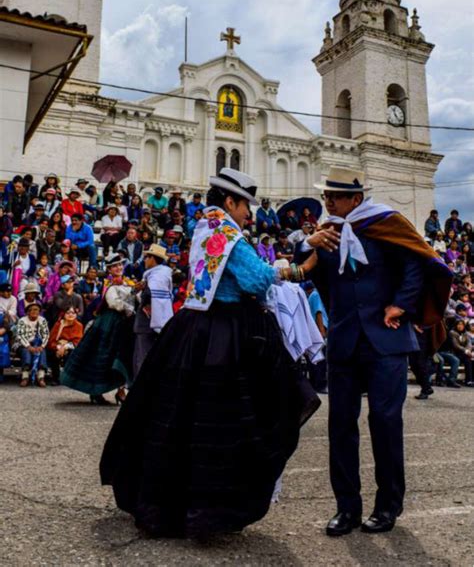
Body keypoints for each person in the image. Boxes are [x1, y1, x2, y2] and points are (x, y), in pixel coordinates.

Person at [100, 167, 319, 539]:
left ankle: (172, 504)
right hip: (224, 331)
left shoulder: (205, 225)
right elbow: (255, 279)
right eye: (245, 206)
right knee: (224, 418)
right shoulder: (227, 232)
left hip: (193, 326)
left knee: (178, 416)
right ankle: (207, 512)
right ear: (230, 201)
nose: (249, 214)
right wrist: (296, 268)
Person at [305, 167, 451, 536]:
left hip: (385, 341)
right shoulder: (327, 234)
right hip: (343, 340)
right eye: (326, 197)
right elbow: (310, 270)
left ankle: (387, 506)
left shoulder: (385, 223)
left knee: (385, 423)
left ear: (355, 198)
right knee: (341, 426)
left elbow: (416, 265)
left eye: (334, 197)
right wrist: (309, 244)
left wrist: (400, 304)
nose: (328, 202)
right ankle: (346, 508)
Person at [61, 253, 135, 405]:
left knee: (121, 357)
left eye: (120, 265)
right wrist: (130, 306)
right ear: (109, 269)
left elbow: (132, 299)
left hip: (123, 325)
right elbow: (115, 303)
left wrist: (135, 295)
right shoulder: (109, 285)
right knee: (101, 356)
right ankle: (96, 391)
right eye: (115, 266)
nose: (119, 268)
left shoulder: (127, 284)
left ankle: (121, 391)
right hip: (108, 324)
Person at [133, 244, 172, 379]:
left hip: (147, 323)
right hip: (159, 321)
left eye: (146, 257)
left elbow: (149, 296)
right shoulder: (161, 274)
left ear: (153, 259)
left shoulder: (155, 277)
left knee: (142, 358)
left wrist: (138, 292)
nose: (144, 260)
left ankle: (141, 393)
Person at [47, 306, 84, 385]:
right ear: (64, 314)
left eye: (73, 313)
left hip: (71, 347)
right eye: (68, 313)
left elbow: (78, 341)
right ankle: (56, 378)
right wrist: (59, 348)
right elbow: (51, 340)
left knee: (71, 354)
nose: (70, 315)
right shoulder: (58, 324)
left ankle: (69, 378)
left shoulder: (79, 325)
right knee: (53, 355)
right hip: (58, 346)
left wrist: (65, 347)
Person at [17, 302, 50, 387]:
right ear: (27, 312)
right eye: (31, 310)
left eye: (36, 310)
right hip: (23, 344)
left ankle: (41, 377)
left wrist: (42, 346)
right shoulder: (22, 321)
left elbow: (46, 335)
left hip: (39, 343)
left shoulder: (42, 320)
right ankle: (25, 377)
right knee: (26, 352)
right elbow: (20, 335)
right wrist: (28, 346)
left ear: (39, 311)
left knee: (42, 352)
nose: (34, 312)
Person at [449, 319, 474, 385]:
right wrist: (465, 350)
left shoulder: (465, 333)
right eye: (459, 324)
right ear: (456, 325)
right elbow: (455, 345)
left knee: (469, 359)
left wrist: (468, 350)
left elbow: (469, 343)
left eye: (462, 324)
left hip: (463, 353)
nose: (460, 326)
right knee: (466, 358)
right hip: (454, 353)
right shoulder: (452, 332)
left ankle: (469, 380)